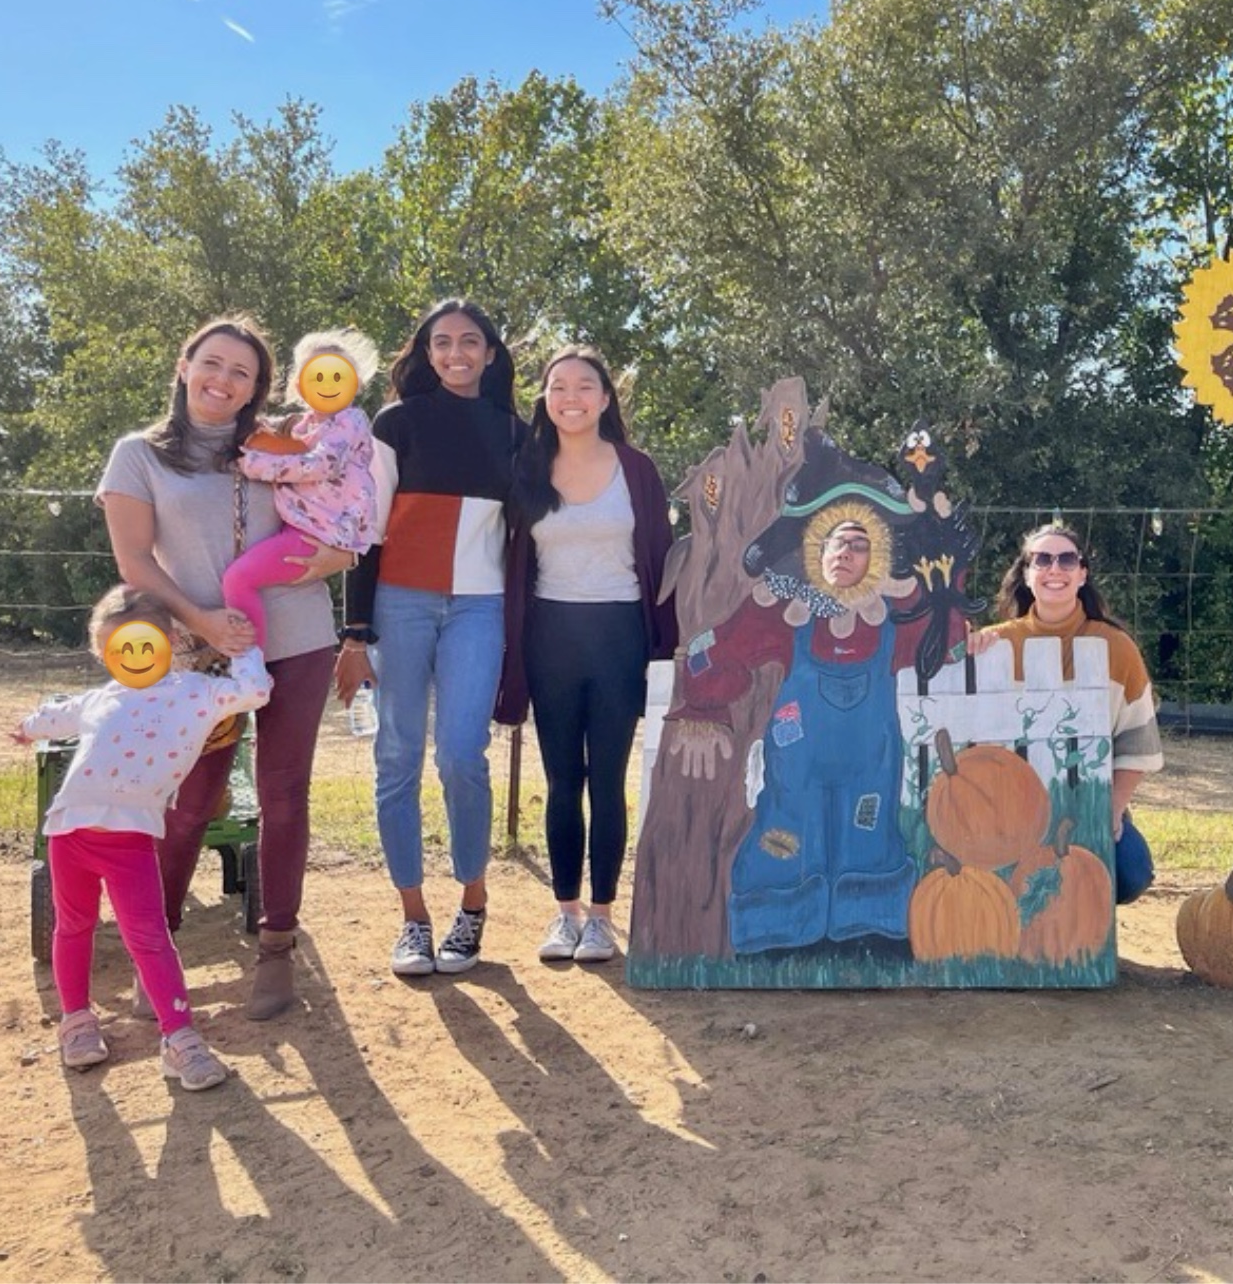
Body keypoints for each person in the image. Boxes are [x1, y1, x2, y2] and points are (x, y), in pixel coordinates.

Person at [99, 315, 347, 1022]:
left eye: (242, 372)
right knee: (191, 801)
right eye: (212, 363)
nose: (223, 380)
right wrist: (203, 621)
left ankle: (276, 950)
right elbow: (134, 561)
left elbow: (344, 514)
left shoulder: (283, 447)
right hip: (197, 651)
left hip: (297, 638)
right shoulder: (138, 456)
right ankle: (158, 949)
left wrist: (342, 555)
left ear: (257, 388)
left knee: (284, 795)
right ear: (184, 367)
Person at [18, 586, 272, 1090]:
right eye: (118, 648)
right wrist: (27, 728)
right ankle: (77, 1022)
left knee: (150, 937)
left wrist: (243, 646)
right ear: (104, 653)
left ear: (171, 641)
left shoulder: (196, 693)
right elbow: (57, 717)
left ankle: (179, 1038)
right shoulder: (101, 697)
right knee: (74, 926)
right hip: (70, 832)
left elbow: (255, 691)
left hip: (131, 840)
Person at [336, 299, 523, 978]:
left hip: (479, 606)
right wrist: (355, 633)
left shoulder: (516, 432)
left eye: (469, 341)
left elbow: (526, 535)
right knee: (397, 757)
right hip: (400, 604)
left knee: (462, 755)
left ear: (490, 354)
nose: (455, 353)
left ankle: (472, 904)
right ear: (425, 352)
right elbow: (365, 530)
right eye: (441, 342)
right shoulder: (395, 423)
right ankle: (412, 918)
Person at [668, 501, 933, 954]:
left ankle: (870, 930)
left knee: (867, 836)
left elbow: (949, 638)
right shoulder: (786, 613)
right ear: (818, 554)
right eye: (837, 543)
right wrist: (702, 706)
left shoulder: (894, 618)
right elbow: (714, 649)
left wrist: (937, 606)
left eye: (860, 545)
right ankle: (777, 933)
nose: (846, 552)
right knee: (786, 837)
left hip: (871, 771)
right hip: (796, 770)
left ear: (877, 560)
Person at [497, 345, 678, 965]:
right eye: (558, 387)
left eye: (583, 386)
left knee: (607, 778)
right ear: (544, 399)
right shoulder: (527, 466)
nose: (570, 398)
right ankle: (566, 911)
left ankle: (602, 916)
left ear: (604, 399)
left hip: (619, 634)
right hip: (549, 634)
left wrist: (669, 646)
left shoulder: (637, 469)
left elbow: (663, 557)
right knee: (561, 780)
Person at [969, 523, 1163, 900]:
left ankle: (1083, 919)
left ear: (1082, 574)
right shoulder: (995, 644)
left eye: (1067, 560)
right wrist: (963, 644)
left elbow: (1137, 742)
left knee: (1131, 873)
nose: (1054, 569)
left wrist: (1112, 810)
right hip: (1011, 806)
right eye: (1042, 560)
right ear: (1026, 574)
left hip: (1086, 798)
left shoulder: (1116, 648)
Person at [224, 327, 381, 641]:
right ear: (300, 385)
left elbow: (324, 464)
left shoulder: (350, 421)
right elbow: (282, 437)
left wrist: (255, 465)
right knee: (241, 577)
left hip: (315, 534)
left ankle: (248, 658)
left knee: (238, 578)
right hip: (302, 527)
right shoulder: (305, 426)